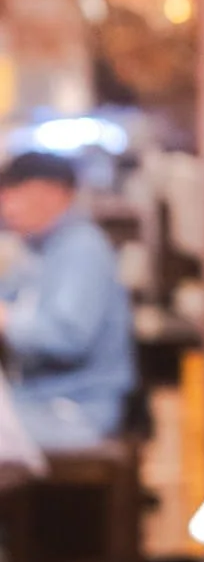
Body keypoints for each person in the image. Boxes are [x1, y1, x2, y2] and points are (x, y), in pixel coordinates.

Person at [0, 150, 134, 450]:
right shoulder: (39, 250)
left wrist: (5, 318)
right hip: (33, 403)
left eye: (12, 196)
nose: (6, 209)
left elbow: (68, 337)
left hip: (72, 412)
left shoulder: (81, 248)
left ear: (52, 193)